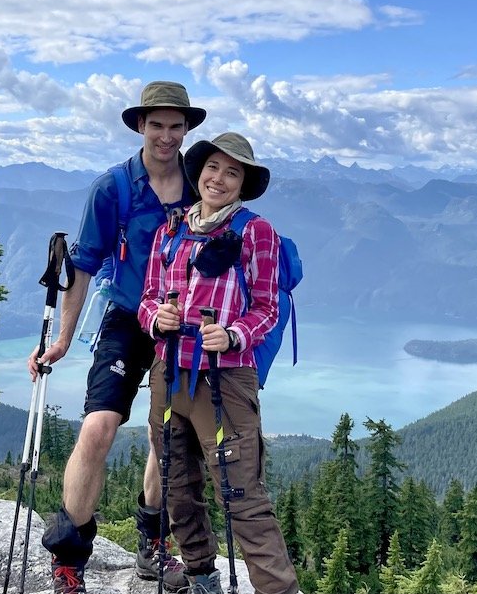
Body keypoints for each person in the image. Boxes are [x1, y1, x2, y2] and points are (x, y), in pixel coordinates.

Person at [28, 81, 207, 594]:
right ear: (140, 126)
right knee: (98, 427)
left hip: (181, 325)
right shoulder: (114, 188)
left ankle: (153, 545)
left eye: (177, 126)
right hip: (128, 318)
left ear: (187, 129)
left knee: (166, 435)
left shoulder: (201, 185)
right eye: (158, 125)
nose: (167, 136)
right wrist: (61, 340)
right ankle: (68, 556)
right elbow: (81, 267)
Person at [138, 133, 300, 594]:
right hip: (170, 371)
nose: (219, 179)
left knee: (242, 495)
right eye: (213, 168)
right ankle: (199, 575)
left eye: (233, 172)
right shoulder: (170, 230)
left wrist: (232, 335)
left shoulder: (255, 231)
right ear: (199, 171)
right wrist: (157, 318)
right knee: (177, 484)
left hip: (225, 378)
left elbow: (267, 308)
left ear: (243, 183)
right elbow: (149, 298)